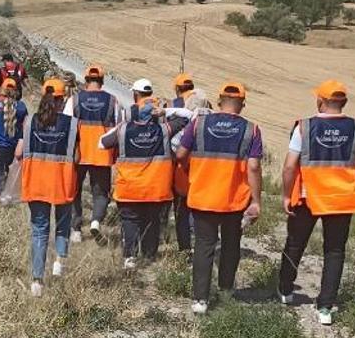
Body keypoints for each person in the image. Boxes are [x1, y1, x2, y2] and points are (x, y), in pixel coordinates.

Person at [279, 80, 355, 326]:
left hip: (308, 197)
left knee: (295, 244)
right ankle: (325, 308)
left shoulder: (304, 127)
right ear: (345, 103)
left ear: (319, 100)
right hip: (342, 199)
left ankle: (286, 290)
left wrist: (287, 195)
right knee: (334, 251)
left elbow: (290, 166)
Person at [176, 82, 263, 315]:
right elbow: (253, 166)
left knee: (204, 245)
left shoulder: (198, 123)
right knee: (231, 244)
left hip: (203, 195)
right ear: (242, 105)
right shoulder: (251, 130)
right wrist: (256, 201)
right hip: (234, 200)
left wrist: (189, 170)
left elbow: (181, 154)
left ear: (219, 101)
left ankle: (200, 300)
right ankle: (225, 290)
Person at [101, 100, 184, 269]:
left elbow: (102, 143)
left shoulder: (123, 130)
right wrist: (165, 112)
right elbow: (185, 118)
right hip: (155, 188)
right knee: (152, 220)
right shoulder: (164, 130)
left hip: (129, 188)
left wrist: (119, 128)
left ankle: (130, 256)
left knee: (129, 221)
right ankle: (149, 255)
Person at [15, 78, 79, 297]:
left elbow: (18, 153)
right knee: (62, 224)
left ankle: (36, 281)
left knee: (40, 231)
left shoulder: (30, 120)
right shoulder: (72, 124)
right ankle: (59, 265)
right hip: (62, 181)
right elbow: (77, 156)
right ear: (63, 100)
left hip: (36, 182)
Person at [64, 66, 121, 244]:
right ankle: (95, 221)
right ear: (102, 81)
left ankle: (76, 229)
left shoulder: (74, 100)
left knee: (74, 191)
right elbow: (119, 129)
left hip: (78, 154)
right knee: (101, 194)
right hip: (102, 154)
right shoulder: (113, 101)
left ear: (86, 80)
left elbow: (66, 126)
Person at [161, 89, 212, 253]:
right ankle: (202, 246)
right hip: (206, 178)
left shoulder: (189, 125)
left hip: (184, 176)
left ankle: (185, 249)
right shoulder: (212, 125)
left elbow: (177, 149)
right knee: (201, 215)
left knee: (181, 215)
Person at [0, 78, 28, 193]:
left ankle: (1, 192)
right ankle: (9, 192)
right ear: (16, 91)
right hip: (15, 147)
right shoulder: (21, 107)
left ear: (1, 90)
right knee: (12, 171)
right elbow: (25, 127)